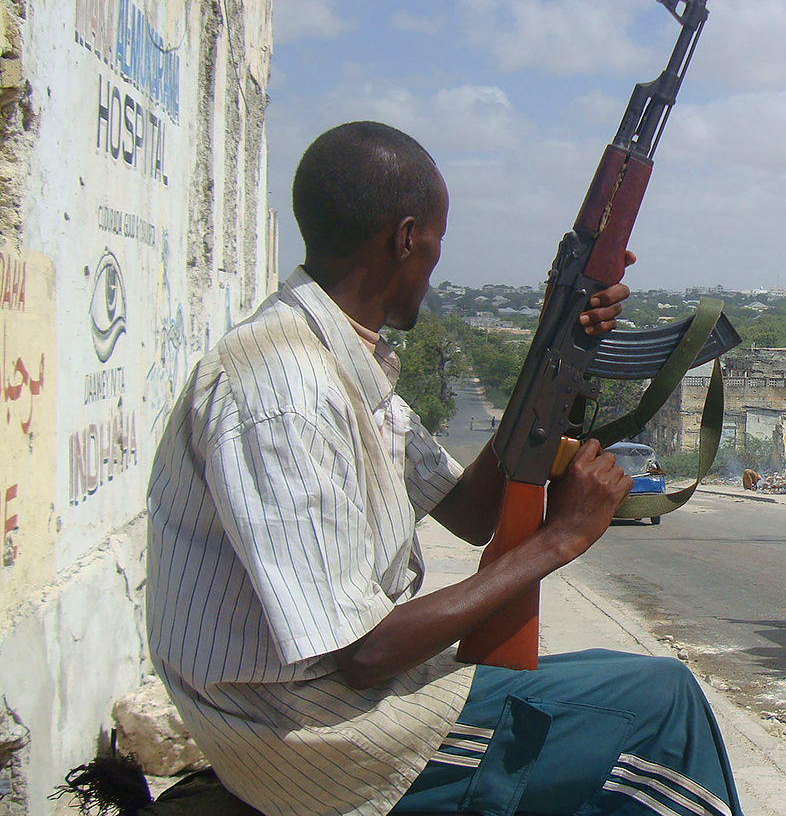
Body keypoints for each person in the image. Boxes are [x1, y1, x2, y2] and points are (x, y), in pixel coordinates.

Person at [146, 122, 742, 816]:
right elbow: (362, 654)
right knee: (659, 708)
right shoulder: (287, 390)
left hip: (341, 708)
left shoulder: (335, 361)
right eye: (436, 240)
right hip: (318, 740)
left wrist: (555, 345)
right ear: (405, 238)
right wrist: (559, 540)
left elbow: (471, 510)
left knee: (632, 692)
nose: (434, 261)